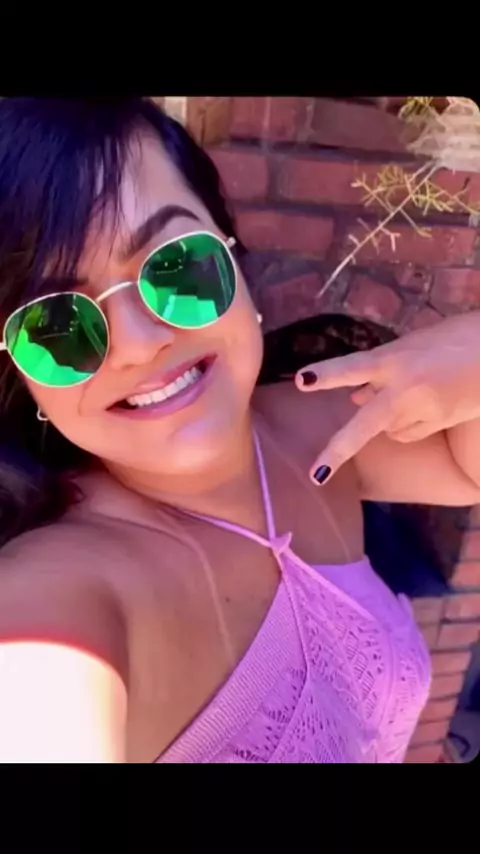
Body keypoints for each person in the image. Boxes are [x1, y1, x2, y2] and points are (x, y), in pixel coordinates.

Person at [0, 98, 479, 764]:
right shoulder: (57, 597)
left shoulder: (318, 426)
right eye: (55, 326)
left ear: (230, 251)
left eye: (175, 264)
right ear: (23, 380)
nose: (139, 344)